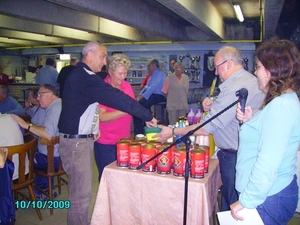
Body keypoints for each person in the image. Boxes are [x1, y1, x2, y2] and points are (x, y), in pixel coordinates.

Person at [57, 41, 157, 225]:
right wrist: (146, 115)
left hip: (80, 140)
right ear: (90, 55)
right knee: (81, 196)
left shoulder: (81, 76)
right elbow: (117, 99)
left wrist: (93, 128)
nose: (104, 62)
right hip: (76, 143)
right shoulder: (85, 77)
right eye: (102, 57)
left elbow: (84, 107)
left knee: (82, 194)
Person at [155, 46, 265, 211]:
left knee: (232, 206)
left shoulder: (235, 88)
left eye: (217, 67)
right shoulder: (247, 81)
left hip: (235, 156)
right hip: (244, 153)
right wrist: (214, 102)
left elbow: (207, 127)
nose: (215, 72)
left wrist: (172, 131)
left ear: (228, 64)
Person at [230, 39, 300, 225]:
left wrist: (247, 201)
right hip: (272, 194)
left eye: (259, 67)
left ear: (272, 70)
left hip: (266, 198)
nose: (256, 72)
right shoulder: (285, 100)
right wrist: (251, 121)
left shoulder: (280, 107)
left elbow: (267, 163)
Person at [12, 84, 62, 200]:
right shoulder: (58, 105)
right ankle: (49, 188)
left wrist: (26, 125)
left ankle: (40, 193)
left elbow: (48, 135)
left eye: (40, 95)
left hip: (53, 159)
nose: (38, 98)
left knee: (23, 161)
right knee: (36, 155)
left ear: (50, 94)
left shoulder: (55, 109)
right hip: (58, 155)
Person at [94, 53, 134, 181]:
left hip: (125, 140)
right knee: (107, 178)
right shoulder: (103, 89)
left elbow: (133, 105)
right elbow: (102, 117)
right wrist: (125, 109)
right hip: (107, 142)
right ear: (110, 71)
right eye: (120, 74)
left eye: (125, 73)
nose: (123, 77)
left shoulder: (126, 86)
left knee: (122, 177)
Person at [134, 59, 166, 135]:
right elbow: (147, 87)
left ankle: (140, 132)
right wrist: (139, 96)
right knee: (138, 107)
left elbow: (152, 88)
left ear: (154, 65)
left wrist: (140, 98)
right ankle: (143, 130)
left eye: (149, 65)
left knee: (137, 108)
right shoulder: (153, 74)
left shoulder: (159, 74)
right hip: (153, 95)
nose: (148, 67)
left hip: (158, 96)